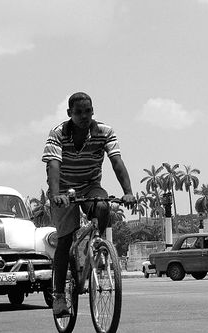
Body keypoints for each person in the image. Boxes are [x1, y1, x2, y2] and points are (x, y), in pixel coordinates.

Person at [42, 92, 136, 317]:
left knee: (103, 205)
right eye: (78, 112)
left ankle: (99, 247)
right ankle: (58, 296)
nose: (84, 116)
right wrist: (56, 195)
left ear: (93, 111)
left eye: (88, 111)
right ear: (69, 114)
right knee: (64, 240)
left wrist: (128, 192)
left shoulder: (105, 132)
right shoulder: (57, 133)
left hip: (90, 185)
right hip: (63, 189)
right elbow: (53, 165)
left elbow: (116, 162)